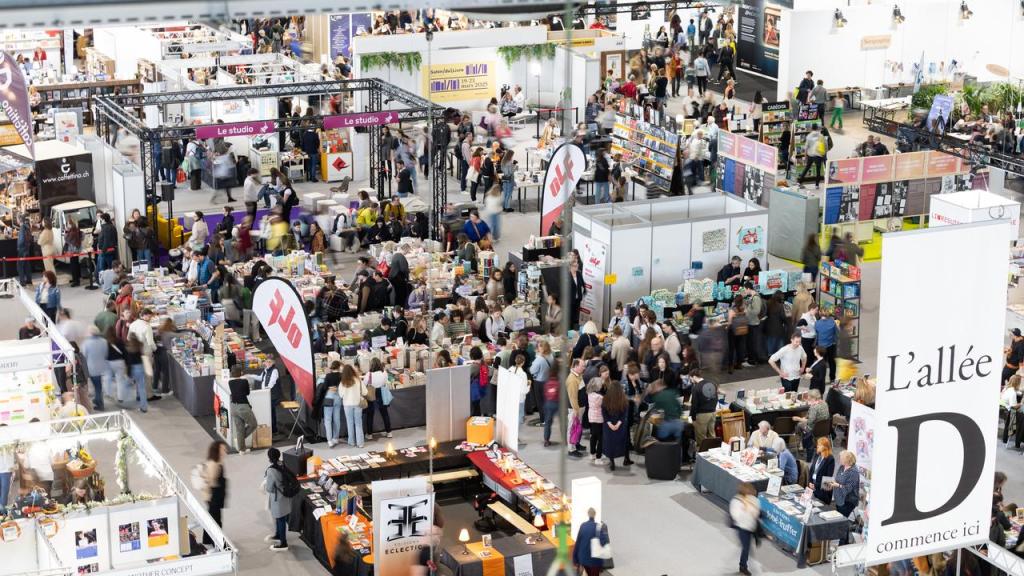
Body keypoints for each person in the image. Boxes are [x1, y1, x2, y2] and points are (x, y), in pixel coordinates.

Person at [263, 447, 291, 551]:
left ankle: (283, 543)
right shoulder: (283, 464)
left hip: (277, 499)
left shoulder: (271, 470)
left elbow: (269, 488)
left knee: (280, 519)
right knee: (281, 518)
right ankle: (278, 535)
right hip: (285, 497)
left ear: (269, 458)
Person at [829, 450, 860, 541]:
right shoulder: (842, 467)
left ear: (847, 460)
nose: (839, 460)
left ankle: (843, 542)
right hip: (839, 498)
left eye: (841, 458)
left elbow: (848, 488)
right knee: (841, 520)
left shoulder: (854, 472)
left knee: (842, 522)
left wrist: (837, 485)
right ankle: (842, 540)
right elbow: (837, 479)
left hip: (848, 500)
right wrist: (832, 483)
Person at [200, 440, 228, 545]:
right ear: (217, 450)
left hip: (216, 496)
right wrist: (210, 497)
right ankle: (219, 542)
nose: (225, 451)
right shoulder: (214, 464)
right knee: (216, 520)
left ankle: (207, 540)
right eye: (223, 449)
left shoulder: (218, 462)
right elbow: (210, 482)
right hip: (213, 497)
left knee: (212, 519)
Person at [730, 482, 760, 576]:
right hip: (742, 528)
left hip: (751, 527)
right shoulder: (736, 501)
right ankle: (743, 566)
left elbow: (756, 512)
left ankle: (743, 564)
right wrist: (747, 512)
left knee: (747, 547)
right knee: (746, 548)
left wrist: (751, 512)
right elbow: (736, 516)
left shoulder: (754, 500)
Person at [227, 364, 257, 452]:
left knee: (239, 428)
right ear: (241, 372)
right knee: (253, 424)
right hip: (242, 407)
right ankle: (240, 440)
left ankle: (242, 449)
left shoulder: (230, 382)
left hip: (233, 407)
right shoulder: (244, 381)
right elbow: (247, 393)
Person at [602, 380, 631, 469]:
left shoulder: (605, 399)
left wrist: (610, 424)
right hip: (620, 426)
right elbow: (624, 414)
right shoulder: (624, 400)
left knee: (610, 443)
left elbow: (604, 413)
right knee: (622, 442)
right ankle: (626, 459)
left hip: (608, 426)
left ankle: (612, 462)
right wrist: (618, 424)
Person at [793, 388, 829, 459]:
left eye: (809, 397)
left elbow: (810, 421)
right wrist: (805, 417)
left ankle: (802, 443)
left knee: (798, 425)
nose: (808, 398)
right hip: (824, 428)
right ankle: (802, 443)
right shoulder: (824, 403)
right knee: (801, 424)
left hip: (814, 429)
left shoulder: (814, 407)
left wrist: (798, 418)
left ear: (813, 398)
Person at [572, 508, 609, 576]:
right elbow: (604, 542)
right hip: (594, 560)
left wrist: (575, 559)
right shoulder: (598, 527)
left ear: (588, 514)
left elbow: (578, 543)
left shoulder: (583, 525)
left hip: (583, 559)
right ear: (595, 515)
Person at [362, 358, 392, 440]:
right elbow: (385, 382)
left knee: (370, 415)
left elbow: (364, 384)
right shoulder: (384, 373)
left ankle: (370, 434)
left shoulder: (369, 374)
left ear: (371, 365)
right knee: (385, 413)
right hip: (381, 393)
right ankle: (389, 432)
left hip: (371, 393)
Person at [341, 364, 368, 448]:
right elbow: (365, 392)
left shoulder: (343, 382)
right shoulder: (358, 380)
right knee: (358, 423)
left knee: (349, 423)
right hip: (357, 403)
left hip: (347, 404)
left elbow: (341, 395)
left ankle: (351, 441)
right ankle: (360, 443)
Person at [809, 437, 836, 504]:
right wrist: (810, 482)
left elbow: (828, 478)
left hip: (822, 490)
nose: (817, 446)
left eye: (819, 445)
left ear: (825, 447)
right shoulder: (817, 455)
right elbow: (812, 470)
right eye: (818, 444)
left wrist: (816, 485)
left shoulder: (830, 459)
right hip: (813, 486)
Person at [815, 307, 838, 383]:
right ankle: (832, 378)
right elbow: (837, 333)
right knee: (832, 362)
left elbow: (816, 334)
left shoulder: (817, 323)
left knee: (822, 364)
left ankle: (821, 379)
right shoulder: (832, 322)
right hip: (831, 345)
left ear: (820, 313)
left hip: (821, 346)